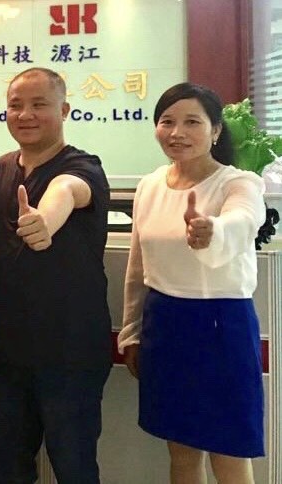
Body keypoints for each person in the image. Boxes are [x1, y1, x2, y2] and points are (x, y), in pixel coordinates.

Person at [119, 83, 266, 483]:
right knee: (181, 449)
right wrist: (132, 332)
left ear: (215, 130)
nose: (177, 132)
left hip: (222, 324)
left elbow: (243, 218)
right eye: (167, 122)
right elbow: (138, 267)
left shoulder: (237, 183)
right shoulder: (150, 185)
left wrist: (211, 231)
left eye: (192, 122)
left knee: (229, 450)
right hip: (165, 322)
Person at [0, 67, 111, 483]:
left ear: (64, 110)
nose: (25, 115)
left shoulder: (83, 167)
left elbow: (66, 190)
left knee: (74, 464)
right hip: (10, 349)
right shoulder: (0, 170)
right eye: (15, 105)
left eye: (39, 105)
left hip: (71, 349)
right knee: (0, 459)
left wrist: (45, 221)